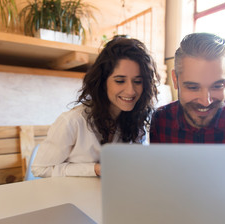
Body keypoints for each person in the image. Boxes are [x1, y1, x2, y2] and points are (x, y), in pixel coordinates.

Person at [32, 37, 159, 177]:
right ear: (103, 81)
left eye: (138, 81)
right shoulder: (72, 122)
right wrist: (94, 169)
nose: (131, 91)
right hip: (72, 197)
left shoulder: (136, 122)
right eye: (120, 81)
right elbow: (40, 169)